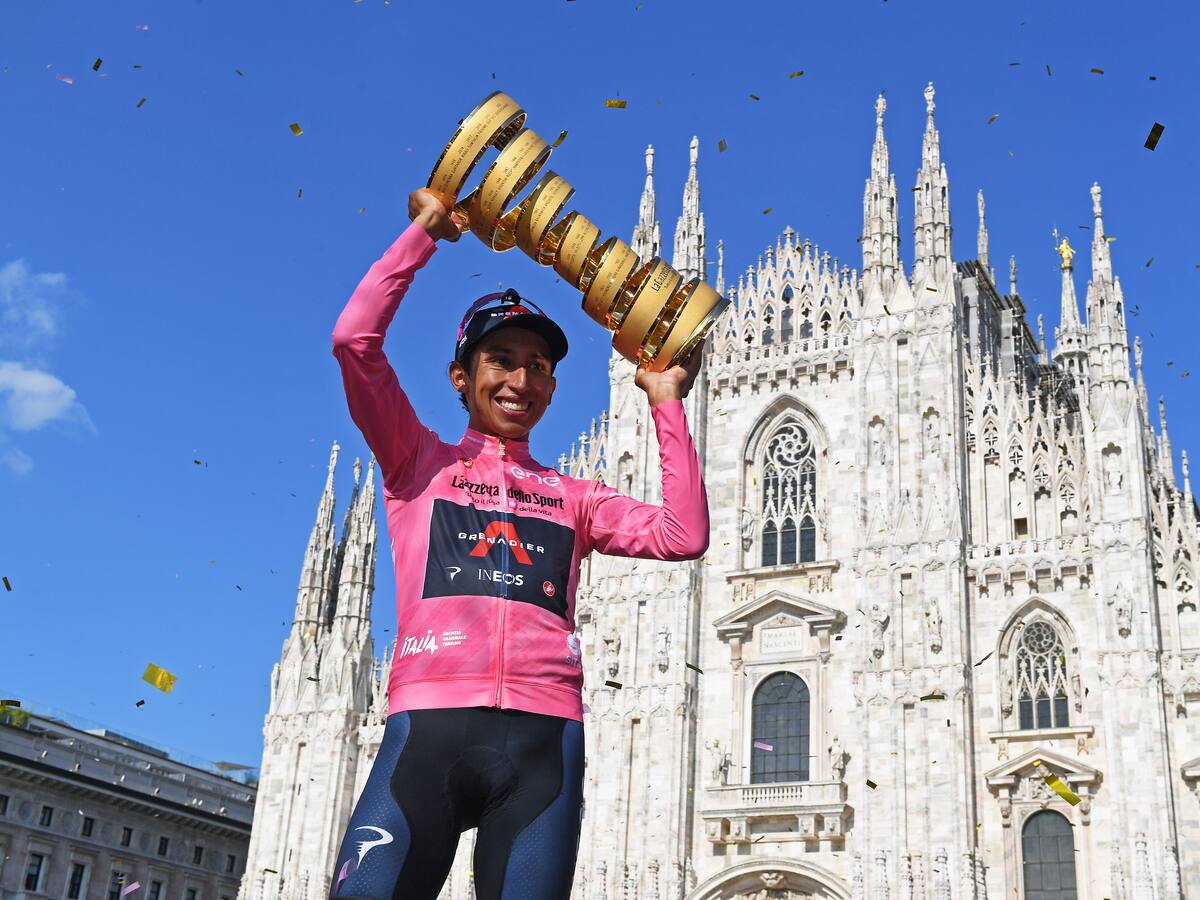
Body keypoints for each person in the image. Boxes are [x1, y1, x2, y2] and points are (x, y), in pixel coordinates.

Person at [326, 187, 710, 900]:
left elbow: (683, 534)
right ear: (462, 377)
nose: (521, 379)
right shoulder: (419, 465)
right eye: (501, 359)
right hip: (430, 730)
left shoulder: (575, 498)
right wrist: (424, 236)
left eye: (538, 365)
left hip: (542, 743)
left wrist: (665, 403)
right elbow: (355, 342)